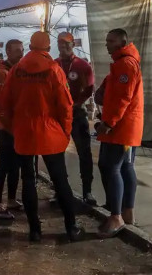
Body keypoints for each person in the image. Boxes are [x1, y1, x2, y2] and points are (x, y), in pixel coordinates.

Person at [0, 31, 84, 243]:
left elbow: (5, 104)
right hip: (50, 134)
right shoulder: (54, 69)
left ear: (30, 46)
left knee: (28, 180)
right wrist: (65, 132)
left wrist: (14, 129)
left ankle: (35, 230)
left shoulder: (17, 70)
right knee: (60, 181)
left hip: (24, 133)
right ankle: (71, 228)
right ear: (48, 48)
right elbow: (66, 106)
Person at [95, 28, 144, 238]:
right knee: (122, 166)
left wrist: (108, 122)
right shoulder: (121, 64)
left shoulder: (126, 64)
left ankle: (117, 216)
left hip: (122, 126)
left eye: (111, 41)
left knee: (112, 167)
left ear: (122, 42)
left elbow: (122, 98)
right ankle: (126, 212)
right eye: (106, 40)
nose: (107, 44)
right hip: (121, 125)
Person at [56, 31, 97, 206]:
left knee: (84, 153)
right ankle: (60, 191)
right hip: (58, 116)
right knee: (56, 154)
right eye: (60, 44)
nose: (64, 47)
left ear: (73, 45)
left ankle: (87, 191)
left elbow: (89, 89)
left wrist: (77, 103)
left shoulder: (82, 65)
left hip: (77, 114)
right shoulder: (54, 65)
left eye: (67, 44)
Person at [0, 39, 24, 220]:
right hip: (5, 129)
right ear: (8, 52)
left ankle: (11, 199)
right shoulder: (2, 74)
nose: (21, 53)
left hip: (16, 129)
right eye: (17, 50)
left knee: (15, 165)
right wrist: (6, 122)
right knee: (4, 165)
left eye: (22, 49)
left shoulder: (18, 71)